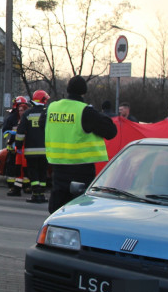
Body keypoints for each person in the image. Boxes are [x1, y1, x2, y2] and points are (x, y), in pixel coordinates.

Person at [45, 76, 118, 213]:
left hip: (58, 168)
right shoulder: (85, 111)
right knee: (79, 210)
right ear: (84, 92)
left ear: (67, 90)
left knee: (57, 210)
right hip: (81, 170)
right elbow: (111, 131)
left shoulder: (52, 108)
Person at [16, 90, 50, 203]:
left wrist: (18, 145)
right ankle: (41, 195)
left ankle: (35, 195)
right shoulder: (48, 113)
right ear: (44, 100)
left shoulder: (27, 114)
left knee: (33, 173)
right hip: (46, 151)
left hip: (31, 151)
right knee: (43, 172)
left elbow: (20, 132)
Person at [4, 96, 29, 196]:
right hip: (14, 146)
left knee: (24, 167)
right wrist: (10, 138)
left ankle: (23, 186)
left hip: (23, 147)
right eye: (20, 110)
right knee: (14, 167)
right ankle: (13, 185)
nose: (20, 112)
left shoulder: (26, 117)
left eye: (22, 110)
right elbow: (5, 131)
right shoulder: (12, 117)